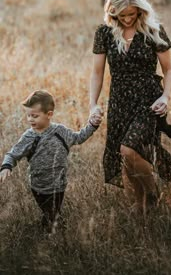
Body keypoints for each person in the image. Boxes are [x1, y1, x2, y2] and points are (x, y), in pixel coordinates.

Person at [90, 0, 171, 216]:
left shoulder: (153, 30)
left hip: (149, 100)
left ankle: (153, 194)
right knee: (127, 155)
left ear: (140, 9)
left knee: (129, 149)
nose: (127, 19)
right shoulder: (104, 32)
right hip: (119, 100)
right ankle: (140, 204)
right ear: (112, 11)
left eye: (132, 13)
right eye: (122, 14)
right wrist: (93, 104)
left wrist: (166, 97)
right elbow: (97, 72)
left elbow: (168, 70)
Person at [0, 90, 101, 233]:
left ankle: (52, 231)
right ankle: (52, 231)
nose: (30, 120)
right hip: (39, 185)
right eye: (28, 115)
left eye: (35, 116)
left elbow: (79, 138)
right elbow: (13, 154)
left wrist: (92, 125)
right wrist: (6, 166)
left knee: (54, 211)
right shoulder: (29, 136)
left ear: (49, 114)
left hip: (59, 184)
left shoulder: (60, 132)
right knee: (50, 212)